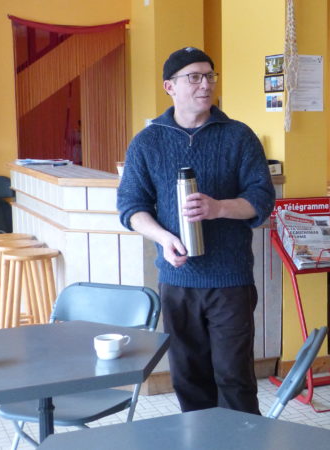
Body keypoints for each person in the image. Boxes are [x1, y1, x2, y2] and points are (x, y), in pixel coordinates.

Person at [117, 47, 275, 415]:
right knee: (188, 376)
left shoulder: (238, 136)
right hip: (177, 279)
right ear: (169, 86)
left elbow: (261, 199)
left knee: (234, 377)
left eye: (210, 76)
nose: (205, 84)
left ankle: (242, 443)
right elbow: (131, 207)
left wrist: (218, 207)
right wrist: (164, 238)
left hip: (230, 280)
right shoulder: (148, 141)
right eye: (194, 77)